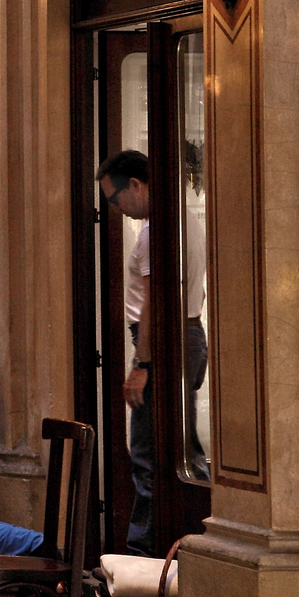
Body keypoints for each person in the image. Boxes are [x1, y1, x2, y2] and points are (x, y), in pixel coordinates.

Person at [97, 149, 208, 556]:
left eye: (114, 198)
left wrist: (142, 364)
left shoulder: (155, 230)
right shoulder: (186, 220)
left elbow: (152, 301)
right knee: (182, 447)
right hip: (189, 334)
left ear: (137, 186)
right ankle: (183, 543)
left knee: (147, 450)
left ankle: (144, 554)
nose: (114, 208)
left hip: (162, 344)